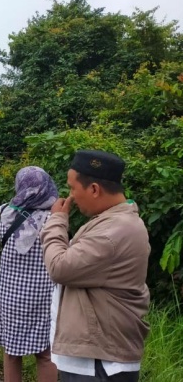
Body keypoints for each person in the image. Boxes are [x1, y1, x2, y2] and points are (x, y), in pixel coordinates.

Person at [41, 150, 150, 382]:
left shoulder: (112, 232)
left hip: (99, 362)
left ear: (93, 189)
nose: (70, 197)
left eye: (72, 188)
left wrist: (56, 222)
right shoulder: (110, 222)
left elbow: (59, 267)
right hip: (95, 355)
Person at [0, 166, 58, 382]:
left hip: (10, 293)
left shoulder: (5, 212)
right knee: (46, 355)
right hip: (43, 296)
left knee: (12, 352)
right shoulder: (53, 220)